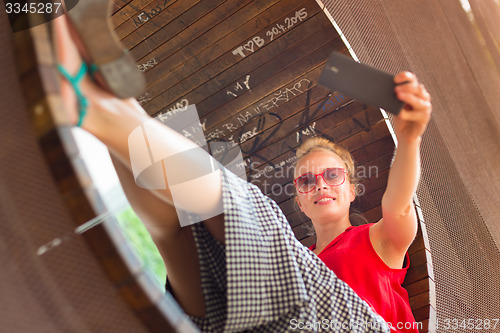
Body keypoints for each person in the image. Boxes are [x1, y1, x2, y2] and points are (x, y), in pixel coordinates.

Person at [50, 2, 430, 331]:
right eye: (307, 180)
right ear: (298, 200)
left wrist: (410, 138)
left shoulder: (380, 241)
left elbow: (398, 204)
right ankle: (101, 95)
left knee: (247, 213)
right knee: (184, 240)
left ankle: (85, 94)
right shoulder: (298, 256)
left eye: (333, 175)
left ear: (351, 189)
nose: (320, 185)